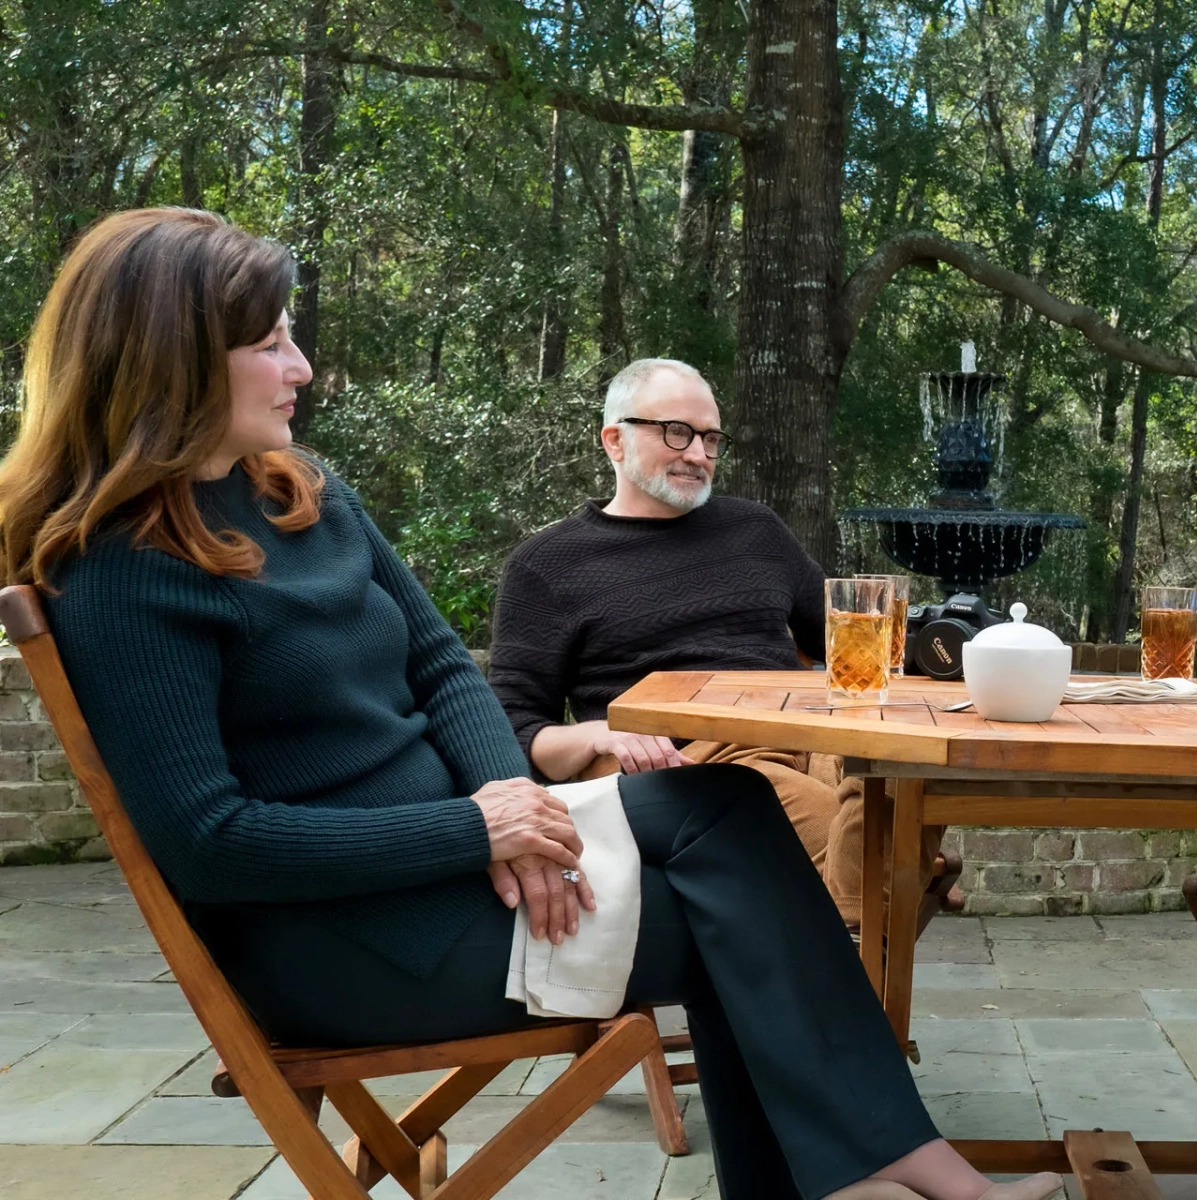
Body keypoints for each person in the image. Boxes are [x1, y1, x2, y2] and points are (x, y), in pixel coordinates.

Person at [0, 207, 1059, 1200]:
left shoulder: (300, 489)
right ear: (172, 362)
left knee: (726, 808)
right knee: (745, 918)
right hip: (357, 942)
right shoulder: (127, 573)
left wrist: (511, 807)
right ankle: (895, 1173)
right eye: (270, 344)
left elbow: (443, 669)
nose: (302, 367)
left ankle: (875, 1171)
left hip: (465, 871)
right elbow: (212, 844)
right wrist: (476, 828)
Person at [487, 358, 954, 933]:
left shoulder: (755, 530)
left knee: (909, 764)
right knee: (883, 830)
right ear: (615, 440)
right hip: (696, 763)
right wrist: (600, 732)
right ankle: (888, 893)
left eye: (710, 438)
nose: (698, 453)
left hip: (809, 734)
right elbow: (513, 729)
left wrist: (956, 647)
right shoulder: (547, 566)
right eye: (676, 432)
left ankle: (871, 898)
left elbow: (850, 642)